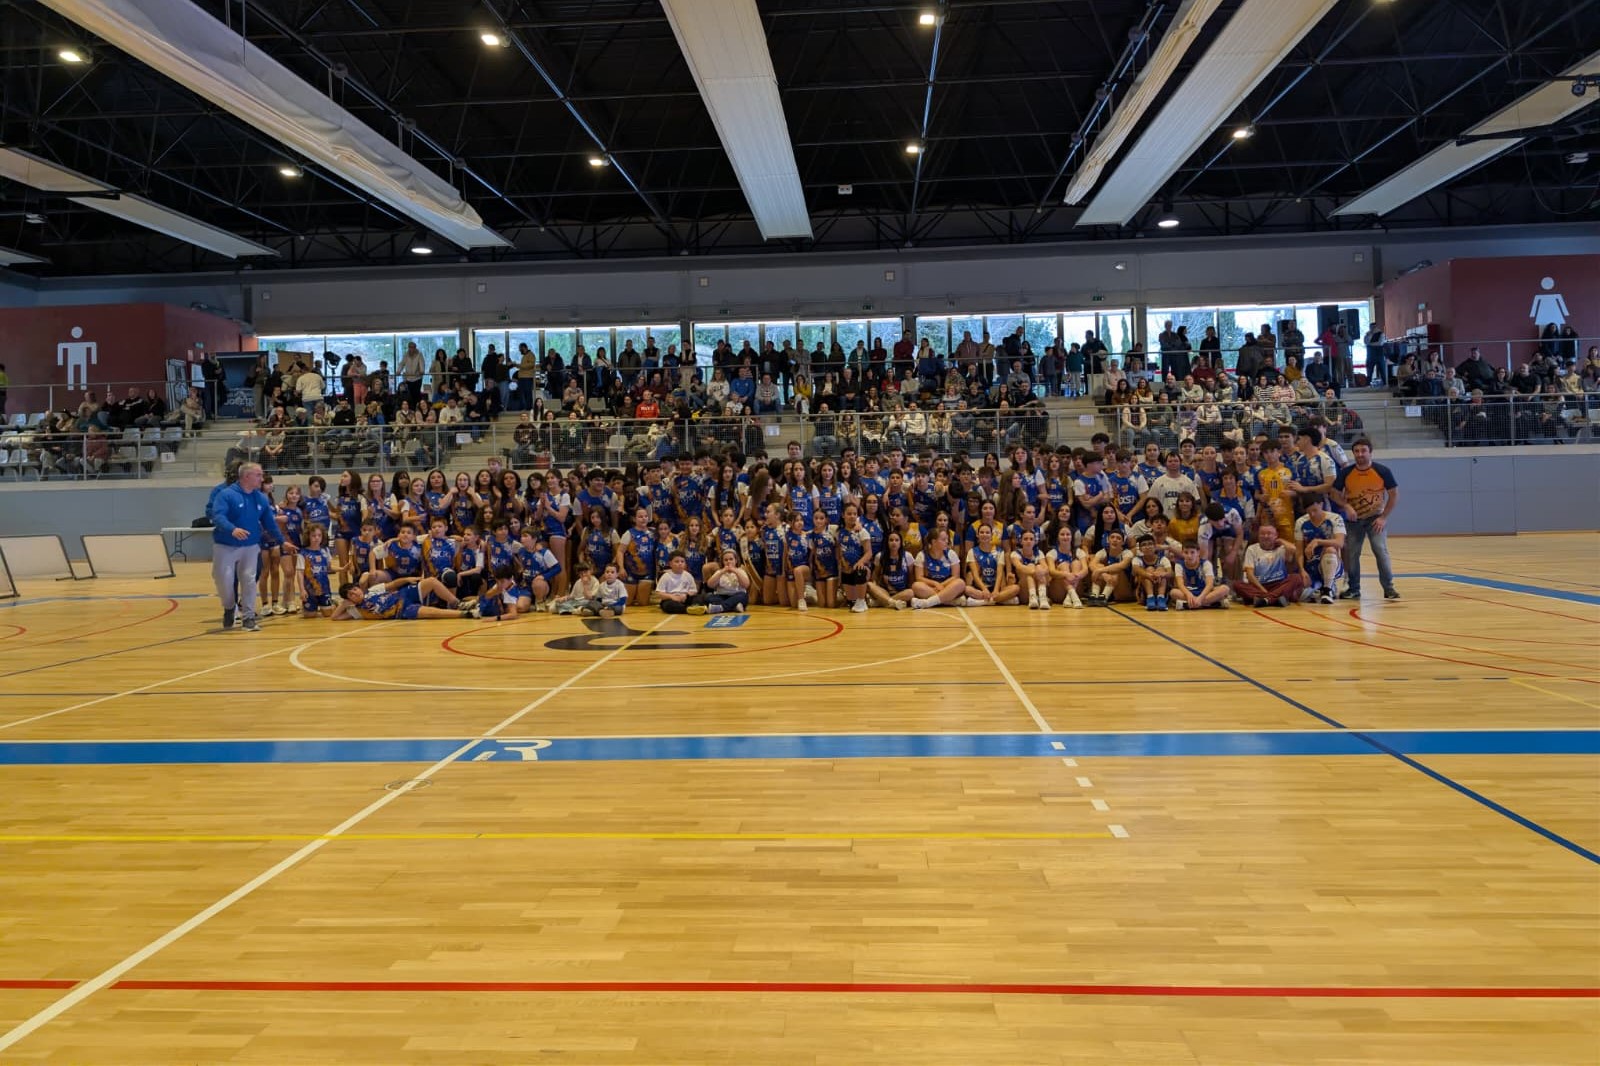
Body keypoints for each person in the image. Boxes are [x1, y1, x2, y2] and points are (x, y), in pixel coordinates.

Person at [208, 462, 280, 631]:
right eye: (258, 475)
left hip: (251, 544)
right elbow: (216, 515)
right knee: (224, 579)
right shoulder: (224, 493)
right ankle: (229, 607)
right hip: (226, 544)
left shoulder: (260, 497)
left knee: (249, 579)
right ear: (246, 476)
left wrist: (282, 541)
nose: (262, 478)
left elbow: (269, 522)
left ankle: (248, 616)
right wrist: (231, 528)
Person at [1331, 437, 1401, 601]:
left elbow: (1394, 495)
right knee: (1352, 554)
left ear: (1370, 452)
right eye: (1356, 451)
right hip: (1353, 521)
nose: (1360, 454)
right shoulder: (1346, 473)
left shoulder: (1382, 471)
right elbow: (1334, 493)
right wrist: (1346, 506)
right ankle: (1354, 589)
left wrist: (1383, 517)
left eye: (1363, 451)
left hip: (1375, 519)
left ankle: (1389, 588)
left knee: (1380, 550)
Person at [1233, 523, 1305, 607]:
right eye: (1262, 534)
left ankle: (1265, 600)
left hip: (1279, 585)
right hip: (1259, 585)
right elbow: (1250, 575)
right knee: (1237, 585)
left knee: (1296, 578)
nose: (1266, 536)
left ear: (1276, 535)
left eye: (1269, 533)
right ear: (1258, 535)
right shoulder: (1252, 549)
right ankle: (1274, 599)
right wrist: (1264, 591)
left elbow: (1293, 548)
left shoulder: (1282, 548)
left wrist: (1281, 541)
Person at [1295, 497, 1347, 604]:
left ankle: (1327, 589)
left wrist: (1318, 542)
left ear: (1321, 505)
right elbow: (1299, 551)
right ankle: (1320, 588)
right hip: (1311, 564)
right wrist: (1301, 570)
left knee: (1330, 550)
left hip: (1331, 561)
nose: (1312, 514)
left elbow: (1340, 542)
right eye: (1309, 512)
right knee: (1299, 596)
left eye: (1315, 510)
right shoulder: (1301, 522)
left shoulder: (1335, 518)